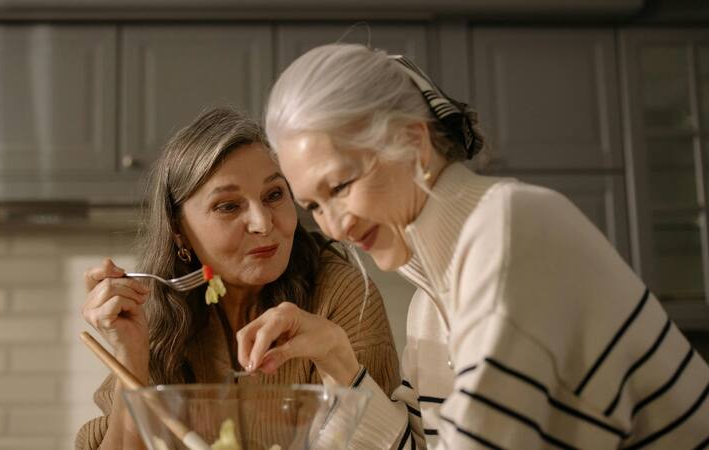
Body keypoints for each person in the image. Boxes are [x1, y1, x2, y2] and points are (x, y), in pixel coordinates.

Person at [235, 43, 709, 449]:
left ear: (413, 141)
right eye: (313, 206)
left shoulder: (512, 230)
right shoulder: (429, 305)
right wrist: (337, 358)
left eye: (340, 186)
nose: (335, 227)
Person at [75, 106, 400, 450]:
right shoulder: (152, 315)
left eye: (274, 195)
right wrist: (132, 356)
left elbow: (379, 439)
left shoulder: (341, 294)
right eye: (228, 206)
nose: (263, 223)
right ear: (177, 231)